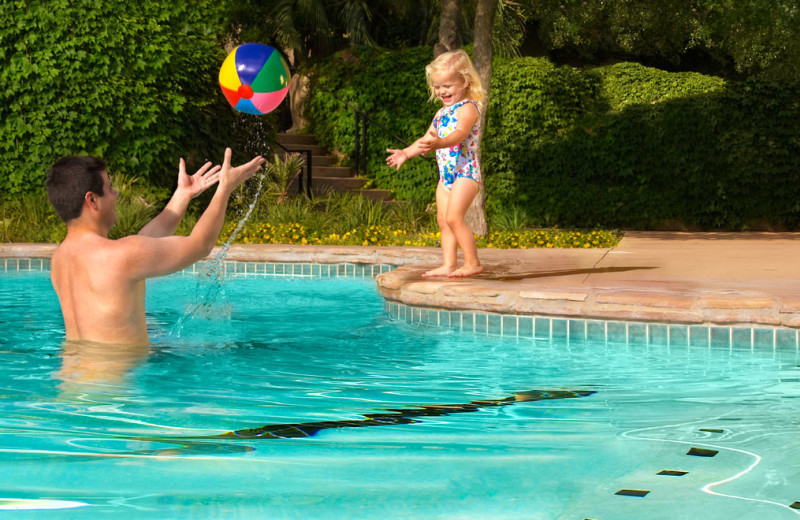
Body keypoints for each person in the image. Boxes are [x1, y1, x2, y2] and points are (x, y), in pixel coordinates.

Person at [46, 148, 264, 345]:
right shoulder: (120, 256)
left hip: (73, 382)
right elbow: (201, 245)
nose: (116, 194)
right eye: (110, 189)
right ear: (92, 200)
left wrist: (182, 194)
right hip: (118, 386)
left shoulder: (61, 259)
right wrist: (225, 188)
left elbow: (142, 245)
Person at [386, 49, 484, 278]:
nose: (442, 91)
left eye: (447, 86)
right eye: (437, 86)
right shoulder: (441, 113)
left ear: (465, 81)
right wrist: (406, 153)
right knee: (443, 220)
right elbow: (425, 139)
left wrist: (440, 143)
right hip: (446, 176)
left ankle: (473, 263)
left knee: (454, 217)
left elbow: (459, 134)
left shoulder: (468, 107)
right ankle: (449, 264)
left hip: (465, 172)